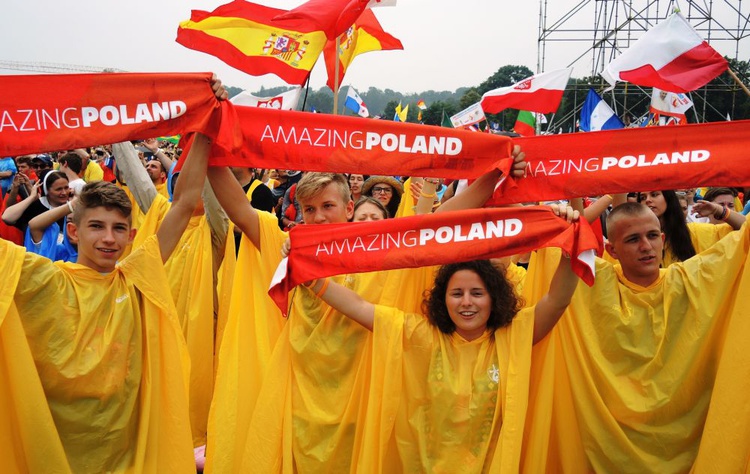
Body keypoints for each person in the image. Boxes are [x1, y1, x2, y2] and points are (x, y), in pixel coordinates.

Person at [205, 147, 529, 473]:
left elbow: (438, 222)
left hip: (362, 408)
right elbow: (239, 210)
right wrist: (208, 140)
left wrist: (495, 174)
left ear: (349, 207)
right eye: (309, 209)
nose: (318, 216)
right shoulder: (289, 247)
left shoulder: (381, 252)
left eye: (328, 206)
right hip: (300, 407)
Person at [0, 76, 227, 473]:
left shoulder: (136, 275)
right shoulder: (44, 278)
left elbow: (185, 200)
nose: (109, 239)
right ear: (73, 230)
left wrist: (205, 126)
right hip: (56, 450)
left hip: (129, 453)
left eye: (119, 229)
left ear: (132, 235)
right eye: (96, 227)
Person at [287, 204, 580, 471]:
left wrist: (571, 244)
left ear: (494, 299)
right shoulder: (421, 334)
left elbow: (557, 299)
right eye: (457, 293)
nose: (467, 302)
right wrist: (311, 276)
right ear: (443, 299)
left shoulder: (514, 335)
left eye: (477, 293)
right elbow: (360, 307)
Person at [521, 202, 750, 472]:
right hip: (604, 450)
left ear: (663, 239)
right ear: (611, 250)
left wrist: (724, 213)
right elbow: (554, 249)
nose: (646, 246)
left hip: (688, 448)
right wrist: (562, 219)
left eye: (652, 236)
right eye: (633, 239)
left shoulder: (692, 281)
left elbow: (741, 245)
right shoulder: (592, 283)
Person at [638, 189, 744, 266]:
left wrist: (719, 210)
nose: (648, 200)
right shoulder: (635, 238)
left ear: (668, 198)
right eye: (643, 197)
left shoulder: (694, 232)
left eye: (654, 194)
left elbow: (745, 226)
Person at [2, 170, 70, 233]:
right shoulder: (36, 207)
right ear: (47, 190)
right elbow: (7, 217)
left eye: (66, 188)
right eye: (59, 189)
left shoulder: (72, 206)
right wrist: (32, 197)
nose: (64, 192)